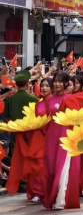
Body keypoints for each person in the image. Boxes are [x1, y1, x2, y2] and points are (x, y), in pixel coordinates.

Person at [3, 71, 45, 202]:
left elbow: (7, 116)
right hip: (30, 133)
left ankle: (20, 182)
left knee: (17, 157)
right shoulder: (33, 99)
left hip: (15, 132)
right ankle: (29, 182)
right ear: (27, 84)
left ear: (16, 84)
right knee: (30, 158)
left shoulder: (10, 99)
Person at [42, 72, 81, 210]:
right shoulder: (48, 100)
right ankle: (52, 198)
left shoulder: (71, 100)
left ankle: (61, 199)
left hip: (66, 136)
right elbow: (47, 119)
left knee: (62, 168)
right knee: (51, 167)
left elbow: (77, 121)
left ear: (65, 83)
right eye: (55, 81)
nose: (57, 84)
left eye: (60, 81)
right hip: (51, 136)